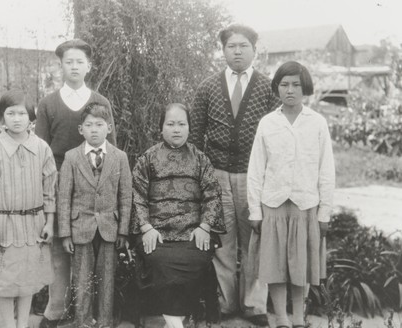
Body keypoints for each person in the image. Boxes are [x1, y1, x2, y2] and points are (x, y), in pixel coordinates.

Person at [190, 23, 280, 326]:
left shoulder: (268, 88)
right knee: (223, 242)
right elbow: (196, 134)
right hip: (217, 174)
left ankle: (254, 305)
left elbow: (276, 137)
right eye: (231, 46)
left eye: (243, 46)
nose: (237, 51)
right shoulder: (207, 87)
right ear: (223, 50)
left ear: (254, 50)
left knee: (256, 239)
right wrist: (203, 176)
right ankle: (226, 303)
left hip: (255, 177)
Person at [35, 39, 117, 328]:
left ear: (89, 66)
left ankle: (92, 312)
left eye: (79, 61)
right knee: (60, 249)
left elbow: (112, 151)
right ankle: (56, 308)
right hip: (58, 182)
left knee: (92, 253)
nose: (74, 66)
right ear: (60, 65)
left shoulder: (101, 103)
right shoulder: (48, 103)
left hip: (93, 187)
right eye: (68, 61)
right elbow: (41, 151)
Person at [246, 61, 335, 328]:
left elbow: (326, 169)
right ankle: (282, 320)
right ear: (277, 88)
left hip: (305, 205)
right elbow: (256, 168)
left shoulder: (317, 123)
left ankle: (298, 318)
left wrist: (324, 212)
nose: (290, 90)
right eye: (284, 84)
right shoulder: (268, 123)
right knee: (275, 265)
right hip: (273, 204)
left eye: (296, 84)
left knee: (300, 266)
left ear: (304, 87)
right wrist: (255, 210)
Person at [131, 103, 226, 328]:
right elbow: (136, 195)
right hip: (157, 231)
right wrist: (146, 228)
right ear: (161, 127)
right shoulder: (148, 158)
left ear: (189, 128)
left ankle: (174, 321)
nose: (176, 129)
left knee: (196, 259)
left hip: (193, 232)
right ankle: (176, 323)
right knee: (158, 261)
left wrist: (204, 227)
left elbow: (213, 195)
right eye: (170, 124)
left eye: (181, 124)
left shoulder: (201, 159)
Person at [0, 90, 57, 328]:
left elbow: (50, 188)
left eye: (22, 113)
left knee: (27, 279)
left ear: (32, 118)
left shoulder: (42, 148)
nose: (17, 119)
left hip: (33, 225)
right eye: (10, 113)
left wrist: (49, 222)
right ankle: (9, 325)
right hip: (3, 225)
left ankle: (23, 324)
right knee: (5, 281)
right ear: (1, 118)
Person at [58, 102, 132, 328]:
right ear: (81, 129)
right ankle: (82, 321)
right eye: (88, 125)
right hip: (81, 227)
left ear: (109, 128)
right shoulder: (71, 157)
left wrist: (124, 230)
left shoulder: (120, 157)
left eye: (99, 124)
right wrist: (65, 234)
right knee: (82, 278)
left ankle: (105, 321)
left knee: (107, 277)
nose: (94, 129)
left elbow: (125, 196)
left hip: (109, 227)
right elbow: (64, 197)